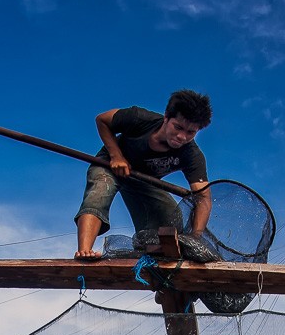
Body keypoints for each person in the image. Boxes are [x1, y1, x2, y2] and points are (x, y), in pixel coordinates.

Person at [74, 89, 212, 260]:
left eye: (190, 132)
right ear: (166, 118)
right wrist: (117, 155)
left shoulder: (192, 155)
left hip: (142, 180)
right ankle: (84, 251)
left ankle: (158, 254)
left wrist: (195, 237)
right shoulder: (138, 118)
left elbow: (203, 198)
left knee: (172, 214)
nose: (182, 136)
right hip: (110, 164)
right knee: (101, 189)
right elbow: (102, 120)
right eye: (178, 127)